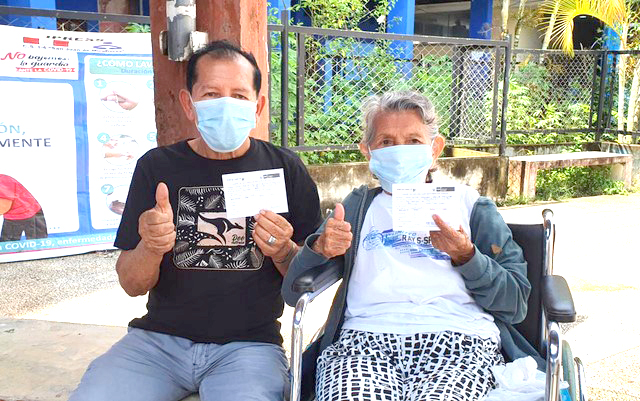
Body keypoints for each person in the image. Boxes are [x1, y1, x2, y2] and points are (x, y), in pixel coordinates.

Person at [70, 41, 322, 401]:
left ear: (257, 106)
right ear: (189, 104)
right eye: (211, 94)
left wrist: (283, 251)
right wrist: (151, 247)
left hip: (248, 348)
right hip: (156, 344)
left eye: (239, 95)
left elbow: (307, 285)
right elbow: (131, 283)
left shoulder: (285, 169)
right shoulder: (156, 167)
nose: (226, 105)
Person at [283, 91, 539, 401]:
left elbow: (515, 304)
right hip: (363, 344)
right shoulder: (356, 209)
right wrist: (320, 249)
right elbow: (293, 291)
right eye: (386, 142)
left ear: (435, 149)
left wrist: (467, 256)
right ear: (368, 151)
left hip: (460, 343)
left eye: (414, 141)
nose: (400, 151)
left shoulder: (471, 206)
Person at [0, 174, 47, 242]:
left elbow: (4, 206)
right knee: (7, 244)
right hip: (18, 214)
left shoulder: (3, 181)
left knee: (38, 243)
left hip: (29, 214)